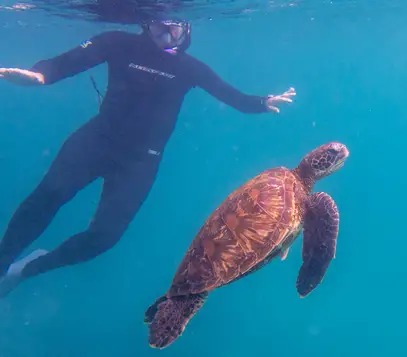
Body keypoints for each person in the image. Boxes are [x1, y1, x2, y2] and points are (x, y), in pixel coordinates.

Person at [0, 18, 296, 297]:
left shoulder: (189, 67)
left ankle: (26, 270)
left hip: (140, 161)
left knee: (104, 237)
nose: (166, 37)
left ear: (187, 29)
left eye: (174, 30)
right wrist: (40, 75)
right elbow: (67, 62)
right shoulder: (117, 43)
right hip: (95, 141)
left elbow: (233, 97)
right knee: (46, 197)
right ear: (145, 23)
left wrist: (263, 102)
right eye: (158, 28)